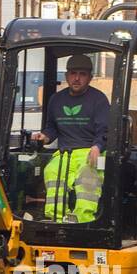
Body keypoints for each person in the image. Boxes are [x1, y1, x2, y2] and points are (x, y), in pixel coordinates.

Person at [31, 53, 110, 223]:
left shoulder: (99, 100)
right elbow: (52, 128)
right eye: (73, 73)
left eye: (82, 74)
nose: (77, 78)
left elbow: (104, 130)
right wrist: (43, 137)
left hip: (89, 151)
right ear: (67, 75)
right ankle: (57, 220)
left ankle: (83, 220)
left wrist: (97, 146)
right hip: (64, 152)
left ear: (90, 77)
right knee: (52, 171)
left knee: (88, 176)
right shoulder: (57, 100)